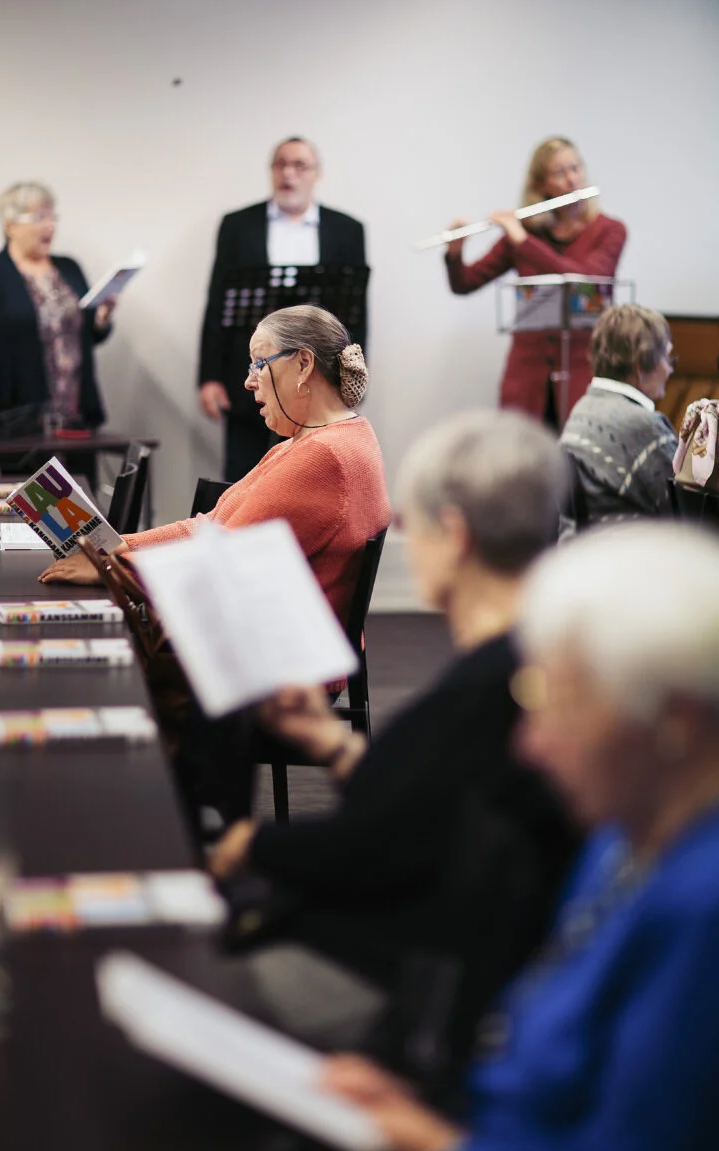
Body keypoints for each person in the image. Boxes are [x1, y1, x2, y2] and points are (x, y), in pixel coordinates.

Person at [322, 523, 719, 1151]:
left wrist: (436, 1143)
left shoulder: (700, 912)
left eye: (564, 704)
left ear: (673, 722)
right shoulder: (620, 844)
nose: (531, 744)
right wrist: (427, 1109)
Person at [208, 410, 578, 1054]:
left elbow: (374, 849)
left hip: (416, 977)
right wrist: (334, 745)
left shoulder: (478, 692)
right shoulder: (548, 664)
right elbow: (431, 804)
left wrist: (253, 843)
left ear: (454, 535)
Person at [39, 304, 390, 630]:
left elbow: (218, 563)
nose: (249, 381)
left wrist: (110, 569)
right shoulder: (325, 439)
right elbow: (208, 529)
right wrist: (116, 549)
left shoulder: (322, 457)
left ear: (303, 364)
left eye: (259, 363)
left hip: (270, 668)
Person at [198, 137, 367, 481]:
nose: (288, 173)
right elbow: (216, 302)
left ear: (316, 174)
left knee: (308, 477)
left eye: (299, 165)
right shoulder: (237, 225)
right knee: (242, 479)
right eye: (280, 164)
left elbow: (356, 311)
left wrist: (354, 372)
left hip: (316, 377)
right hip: (248, 375)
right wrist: (209, 376)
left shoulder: (347, 230)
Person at [445, 137, 627, 425]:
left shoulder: (610, 231)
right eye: (559, 173)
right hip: (527, 376)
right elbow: (465, 283)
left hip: (583, 372)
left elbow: (583, 280)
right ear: (541, 185)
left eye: (575, 168)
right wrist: (455, 254)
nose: (572, 179)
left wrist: (522, 240)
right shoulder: (525, 231)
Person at [0, 182, 114, 481]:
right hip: (20, 423)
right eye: (39, 217)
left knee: (82, 513)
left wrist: (102, 319)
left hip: (77, 420)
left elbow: (88, 336)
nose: (50, 225)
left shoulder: (69, 268)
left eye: (53, 217)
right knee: (33, 514)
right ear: (10, 226)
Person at [561, 303, 678, 527]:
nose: (670, 369)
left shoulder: (582, 408)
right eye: (668, 357)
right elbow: (683, 518)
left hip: (581, 553)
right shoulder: (645, 426)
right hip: (630, 554)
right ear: (641, 365)